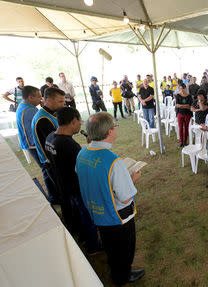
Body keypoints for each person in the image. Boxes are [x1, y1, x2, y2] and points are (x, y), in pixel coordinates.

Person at [76, 112, 145, 285]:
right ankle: (122, 277)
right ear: (108, 132)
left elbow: (83, 175)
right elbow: (125, 196)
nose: (116, 129)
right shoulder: (114, 161)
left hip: (96, 211)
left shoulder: (82, 152)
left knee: (110, 246)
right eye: (115, 126)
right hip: (117, 216)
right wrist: (132, 179)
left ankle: (117, 271)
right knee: (125, 250)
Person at [45, 107, 101, 254]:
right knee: (87, 216)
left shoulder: (50, 137)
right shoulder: (68, 144)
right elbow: (85, 165)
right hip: (76, 187)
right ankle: (93, 246)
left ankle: (82, 236)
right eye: (79, 122)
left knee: (77, 214)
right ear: (73, 121)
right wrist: (89, 147)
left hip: (62, 185)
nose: (80, 125)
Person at [16, 86, 52, 198]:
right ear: (30, 97)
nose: (41, 98)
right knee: (47, 168)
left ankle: (54, 195)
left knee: (46, 168)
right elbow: (34, 132)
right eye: (38, 96)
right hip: (34, 145)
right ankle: (53, 196)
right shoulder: (29, 110)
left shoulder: (25, 106)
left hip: (31, 144)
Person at [31, 87, 66, 204]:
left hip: (52, 161)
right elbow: (52, 144)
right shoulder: (43, 119)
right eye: (60, 101)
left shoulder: (49, 114)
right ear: (49, 101)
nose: (63, 104)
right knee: (62, 192)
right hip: (51, 161)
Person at [175, 83, 193, 147]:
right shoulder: (178, 95)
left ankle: (185, 141)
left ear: (185, 88)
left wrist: (181, 106)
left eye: (182, 88)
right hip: (180, 114)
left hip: (187, 114)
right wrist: (185, 106)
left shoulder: (189, 96)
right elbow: (177, 105)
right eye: (180, 89)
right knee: (180, 128)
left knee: (186, 128)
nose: (181, 90)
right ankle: (181, 142)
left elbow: (189, 106)